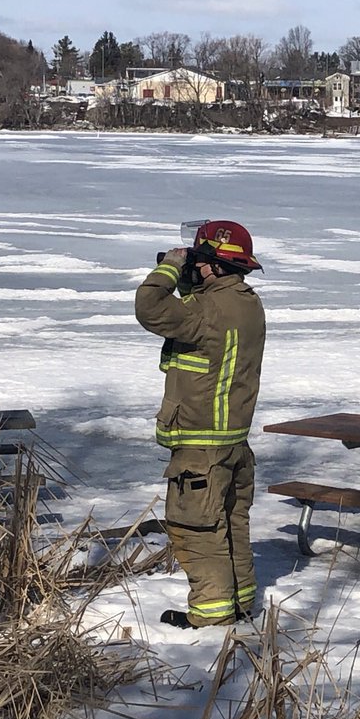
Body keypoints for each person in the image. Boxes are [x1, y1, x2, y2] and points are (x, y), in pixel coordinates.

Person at [135, 220, 266, 629]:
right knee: (230, 525)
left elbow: (150, 307)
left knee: (197, 531)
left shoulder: (206, 310)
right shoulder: (245, 303)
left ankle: (209, 617)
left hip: (200, 446)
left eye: (198, 260)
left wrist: (170, 269)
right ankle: (240, 602)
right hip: (233, 444)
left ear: (212, 265)